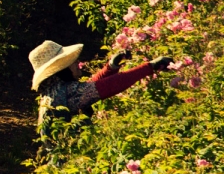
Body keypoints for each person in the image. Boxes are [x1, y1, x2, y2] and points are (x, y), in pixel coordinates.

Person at [30, 40, 172, 140]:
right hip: (67, 161)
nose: (76, 62)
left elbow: (89, 87)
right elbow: (107, 87)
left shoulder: (56, 90)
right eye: (70, 61)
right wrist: (150, 67)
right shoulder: (68, 92)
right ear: (62, 68)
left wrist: (111, 67)